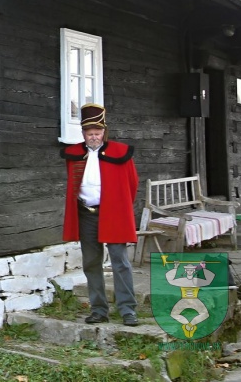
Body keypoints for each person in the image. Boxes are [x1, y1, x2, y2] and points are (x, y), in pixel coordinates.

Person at [60, 103, 140, 327]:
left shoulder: (120, 152)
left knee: (120, 261)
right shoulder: (75, 153)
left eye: (97, 133)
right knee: (91, 262)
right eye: (89, 133)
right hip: (86, 214)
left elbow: (132, 184)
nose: (94, 137)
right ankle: (98, 309)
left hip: (113, 213)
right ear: (83, 133)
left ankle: (127, 310)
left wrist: (120, 207)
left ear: (104, 132)